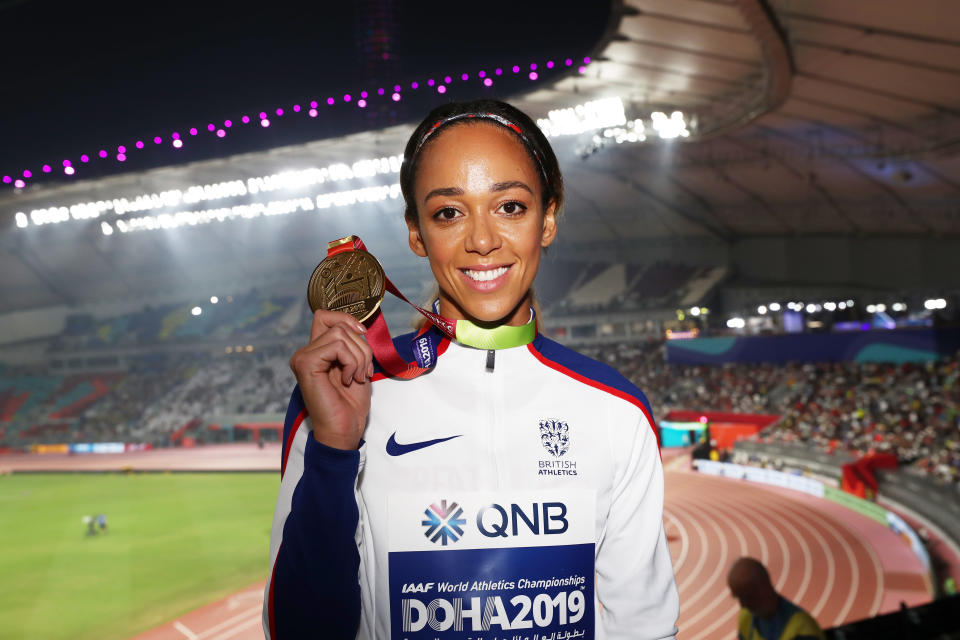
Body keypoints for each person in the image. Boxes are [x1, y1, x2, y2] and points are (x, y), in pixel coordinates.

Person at [263, 99, 679, 639]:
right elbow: (300, 631)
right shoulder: (340, 396)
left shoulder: (618, 411)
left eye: (510, 206)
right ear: (416, 233)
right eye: (448, 213)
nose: (482, 241)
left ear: (548, 219)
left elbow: (643, 629)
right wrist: (334, 453)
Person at [728, 557, 825, 640]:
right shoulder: (746, 616)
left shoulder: (802, 630)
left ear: (764, 588)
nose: (743, 604)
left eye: (747, 597)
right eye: (739, 598)